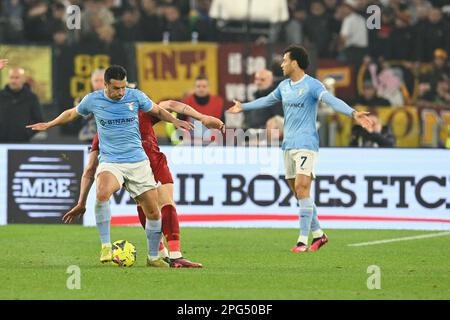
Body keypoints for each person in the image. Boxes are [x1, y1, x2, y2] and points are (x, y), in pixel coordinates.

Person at [27, 65, 193, 268]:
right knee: (103, 192)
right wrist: (49, 124)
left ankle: (153, 257)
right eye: (116, 88)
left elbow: (158, 109)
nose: (120, 92)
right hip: (111, 161)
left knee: (154, 213)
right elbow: (71, 114)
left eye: (123, 87)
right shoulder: (93, 99)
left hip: (138, 162)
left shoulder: (135, 96)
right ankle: (106, 246)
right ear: (106, 85)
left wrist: (176, 121)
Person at [228, 45, 372, 253]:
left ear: (295, 63)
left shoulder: (312, 85)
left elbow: (331, 101)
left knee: (303, 189)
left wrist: (353, 113)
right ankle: (319, 235)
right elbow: (266, 100)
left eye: (285, 60)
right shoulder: (284, 86)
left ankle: (302, 241)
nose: (282, 64)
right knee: (299, 194)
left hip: (306, 144)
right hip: (288, 145)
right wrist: (244, 106)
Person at [63, 99, 224, 268]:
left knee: (166, 203)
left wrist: (202, 117)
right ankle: (160, 252)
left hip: (154, 163)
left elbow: (168, 104)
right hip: (132, 169)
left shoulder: (141, 112)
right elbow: (90, 169)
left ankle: (175, 255)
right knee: (147, 208)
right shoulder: (103, 132)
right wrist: (81, 201)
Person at [0, 67, 43, 143]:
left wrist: (26, 134)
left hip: (22, 144)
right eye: (11, 77)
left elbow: (38, 120)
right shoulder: (1, 96)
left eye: (17, 78)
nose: (13, 80)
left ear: (23, 79)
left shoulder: (31, 98)